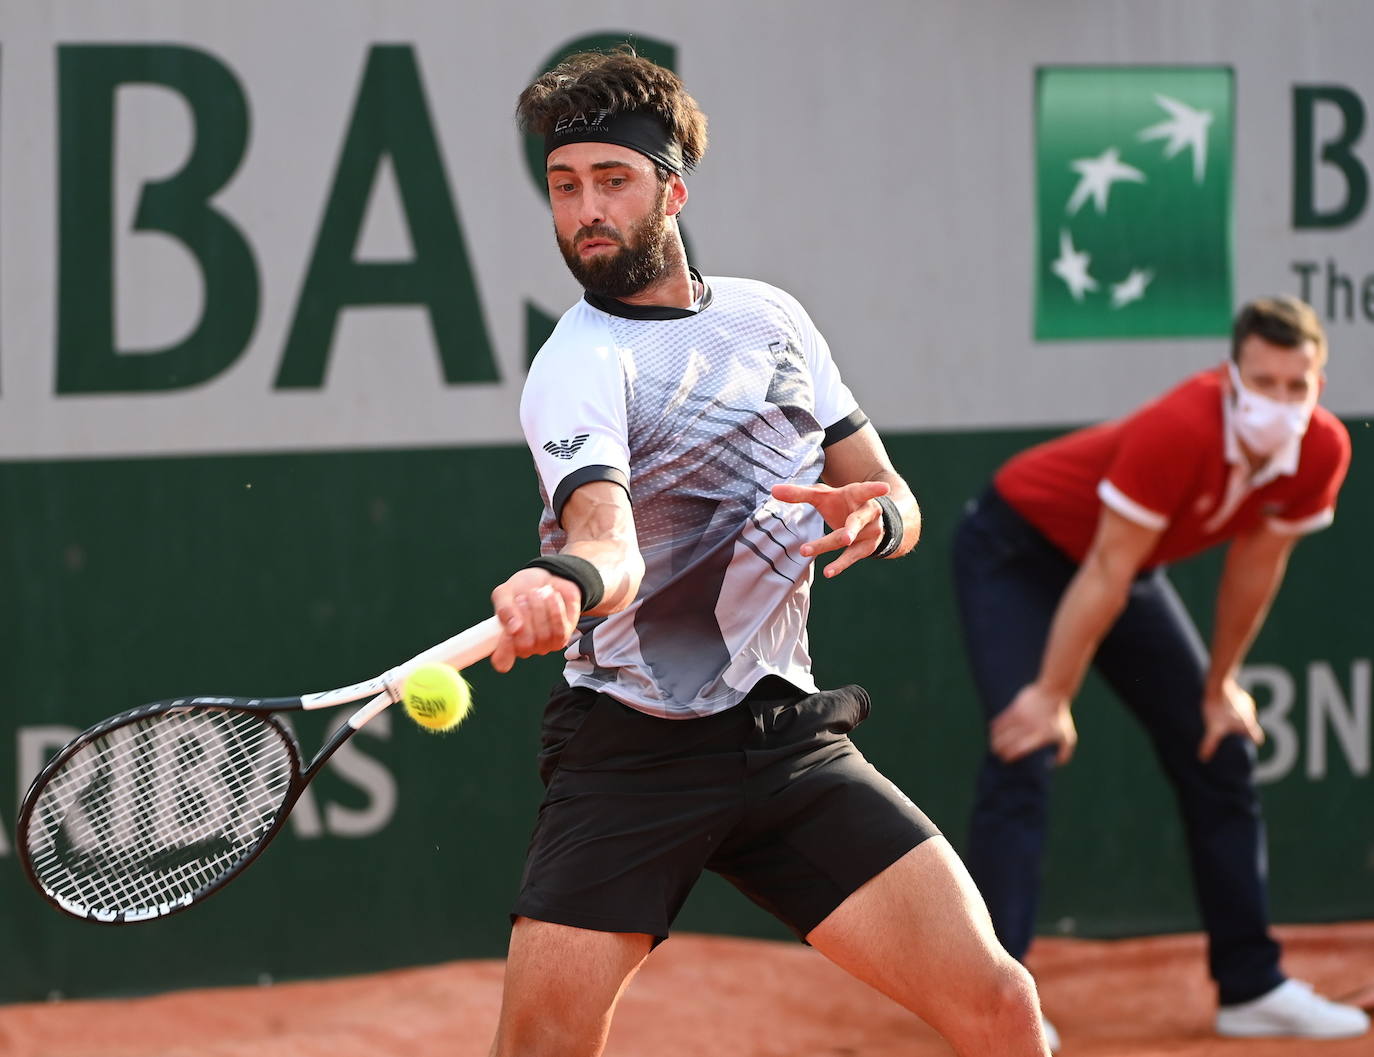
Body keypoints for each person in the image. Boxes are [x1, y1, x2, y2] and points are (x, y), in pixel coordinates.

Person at [484, 47, 1050, 1057]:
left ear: (672, 188)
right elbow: (609, 542)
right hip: (630, 753)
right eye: (564, 188)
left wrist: (876, 519)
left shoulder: (771, 319)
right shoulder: (578, 365)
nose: (585, 213)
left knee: (1002, 1006)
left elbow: (888, 492)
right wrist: (564, 581)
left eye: (612, 180)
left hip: (783, 740)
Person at [952, 295, 1369, 1047]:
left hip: (1118, 567)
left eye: (1296, 386)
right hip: (1015, 549)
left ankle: (1251, 985)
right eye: (1263, 382)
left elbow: (1256, 564)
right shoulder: (1180, 427)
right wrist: (1052, 695)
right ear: (1232, 376)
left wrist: (1220, 689)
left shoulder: (1321, 451)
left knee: (1222, 744)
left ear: (1319, 384)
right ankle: (995, 999)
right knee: (1027, 744)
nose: (1279, 401)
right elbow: (1106, 571)